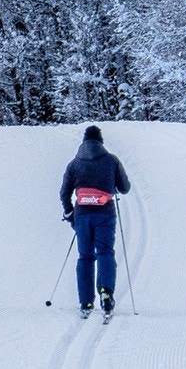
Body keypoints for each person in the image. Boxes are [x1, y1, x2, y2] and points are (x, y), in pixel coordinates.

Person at [60, 124, 130, 315]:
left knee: (85, 257)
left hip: (82, 216)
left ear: (84, 142)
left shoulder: (74, 164)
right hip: (105, 213)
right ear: (101, 142)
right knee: (105, 253)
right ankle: (106, 294)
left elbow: (64, 192)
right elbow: (125, 188)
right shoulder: (111, 160)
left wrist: (69, 213)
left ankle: (86, 303)